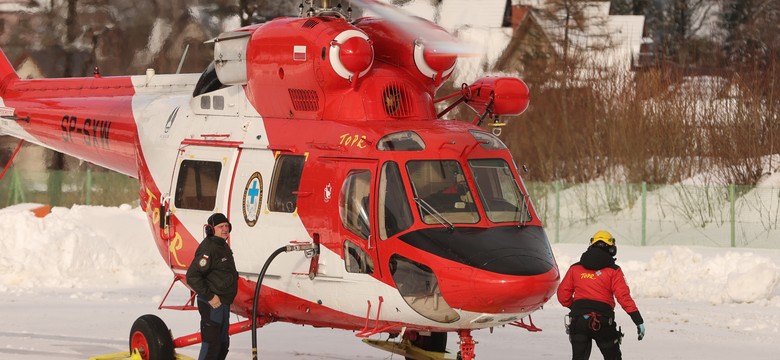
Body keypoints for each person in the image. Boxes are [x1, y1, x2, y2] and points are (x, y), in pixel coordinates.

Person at [557, 230, 645, 360]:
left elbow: (563, 295)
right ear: (611, 249)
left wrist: (578, 308)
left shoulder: (575, 268)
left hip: (578, 322)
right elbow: (623, 297)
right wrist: (638, 320)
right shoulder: (614, 270)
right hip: (603, 323)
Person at [186, 213, 239, 360]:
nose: (225, 229)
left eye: (227, 226)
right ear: (211, 229)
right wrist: (210, 296)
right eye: (220, 226)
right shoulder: (208, 248)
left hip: (223, 303)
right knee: (212, 345)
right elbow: (192, 276)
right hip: (212, 304)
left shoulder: (222, 245)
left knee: (223, 344)